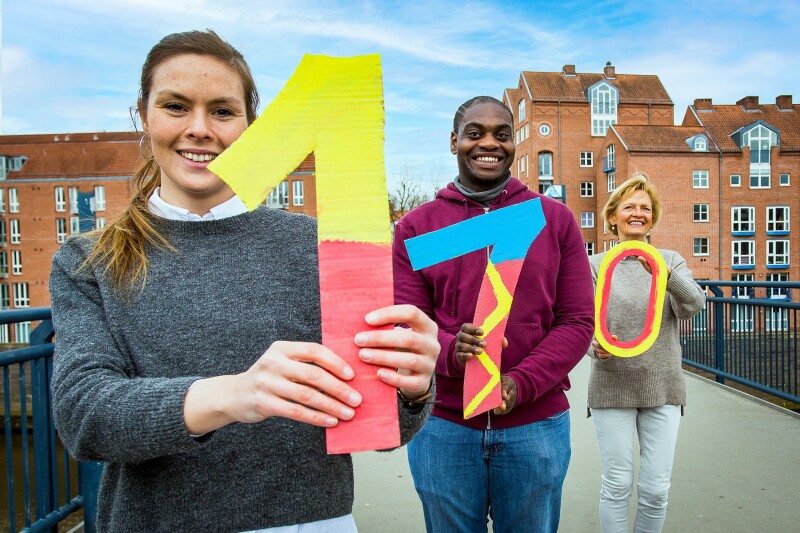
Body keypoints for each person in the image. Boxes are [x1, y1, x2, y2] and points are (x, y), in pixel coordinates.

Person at [49, 30, 439, 532]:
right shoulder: (88, 259)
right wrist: (233, 396)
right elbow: (84, 418)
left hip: (309, 521)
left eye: (222, 111)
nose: (199, 129)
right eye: (175, 106)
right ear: (142, 116)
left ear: (251, 127)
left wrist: (410, 388)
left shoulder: (320, 246)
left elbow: (383, 432)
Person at [392, 96, 595, 533]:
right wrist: (450, 351)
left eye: (502, 135)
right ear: (454, 142)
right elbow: (407, 321)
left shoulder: (554, 220)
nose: (489, 143)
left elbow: (577, 320)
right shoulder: (418, 227)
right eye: (475, 133)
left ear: (514, 144)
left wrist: (519, 384)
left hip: (535, 425)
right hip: (444, 425)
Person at [587, 176, 706, 533]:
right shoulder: (594, 264)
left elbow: (694, 305)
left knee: (655, 489)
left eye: (645, 208)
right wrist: (593, 346)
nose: (637, 214)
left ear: (652, 218)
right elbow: (580, 321)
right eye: (629, 207)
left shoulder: (671, 260)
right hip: (612, 385)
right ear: (612, 217)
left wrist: (665, 275)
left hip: (662, 385)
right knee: (617, 485)